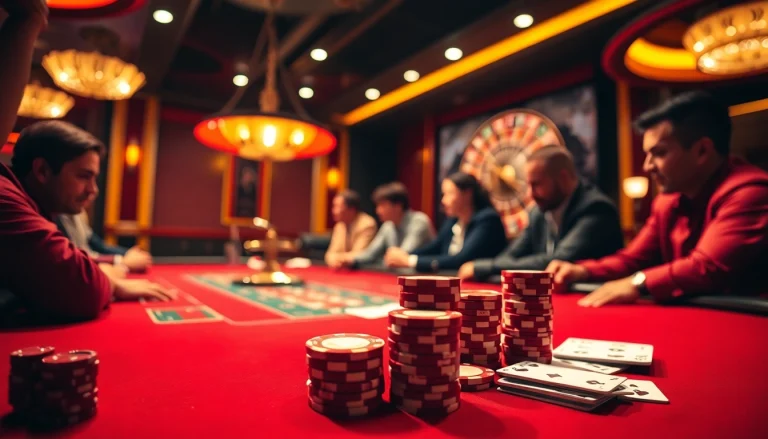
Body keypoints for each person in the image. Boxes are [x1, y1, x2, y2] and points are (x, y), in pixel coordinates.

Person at [547, 91, 768, 307]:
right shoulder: (666, 201)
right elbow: (632, 259)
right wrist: (583, 270)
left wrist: (638, 282)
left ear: (702, 150)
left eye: (659, 153)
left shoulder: (750, 192)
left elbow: (707, 267)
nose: (647, 166)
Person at [1, 120, 175, 321]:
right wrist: (111, 281)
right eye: (84, 176)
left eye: (94, 179)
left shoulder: (33, 204)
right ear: (42, 171)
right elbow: (84, 287)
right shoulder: (4, 198)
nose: (93, 190)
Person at [458, 145, 623, 280]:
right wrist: (492, 265)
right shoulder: (538, 212)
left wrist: (484, 267)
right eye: (528, 185)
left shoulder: (596, 208)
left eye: (536, 185)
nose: (530, 194)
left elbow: (556, 261)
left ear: (563, 178)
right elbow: (509, 257)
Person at [385, 172, 507, 272]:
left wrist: (409, 260)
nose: (443, 200)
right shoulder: (453, 220)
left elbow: (461, 260)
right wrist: (404, 255)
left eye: (449, 194)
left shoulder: (488, 220)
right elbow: (434, 247)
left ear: (467, 194)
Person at [346, 182, 434, 268]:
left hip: (427, 276)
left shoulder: (419, 221)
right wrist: (349, 259)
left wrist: (385, 259)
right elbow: (370, 254)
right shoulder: (388, 225)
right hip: (402, 274)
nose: (378, 211)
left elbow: (402, 255)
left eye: (382, 205)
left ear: (398, 205)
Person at [56, 210, 153, 272]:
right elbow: (76, 260)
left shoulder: (78, 213)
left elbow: (100, 246)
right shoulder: (53, 218)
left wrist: (128, 253)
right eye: (83, 177)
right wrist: (122, 261)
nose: (94, 190)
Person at [324, 189, 377, 268]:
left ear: (352, 209)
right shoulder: (339, 226)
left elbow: (359, 254)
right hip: (344, 270)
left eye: (337, 207)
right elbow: (330, 254)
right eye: (334, 206)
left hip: (363, 270)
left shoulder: (367, 224)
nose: (333, 211)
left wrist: (338, 259)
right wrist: (335, 260)